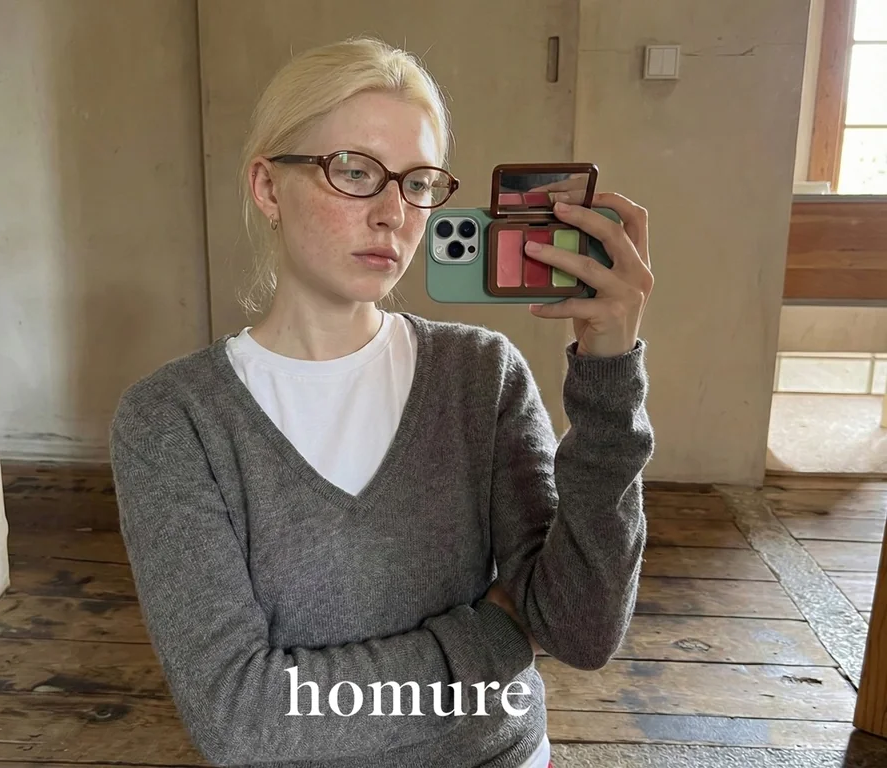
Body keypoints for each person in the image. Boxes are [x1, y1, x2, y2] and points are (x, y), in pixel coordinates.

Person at [109, 36, 655, 768]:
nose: (394, 212)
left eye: (419, 182)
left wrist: (609, 378)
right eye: (355, 172)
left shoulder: (480, 374)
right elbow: (239, 718)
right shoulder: (174, 421)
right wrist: (494, 637)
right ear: (268, 187)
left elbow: (580, 630)